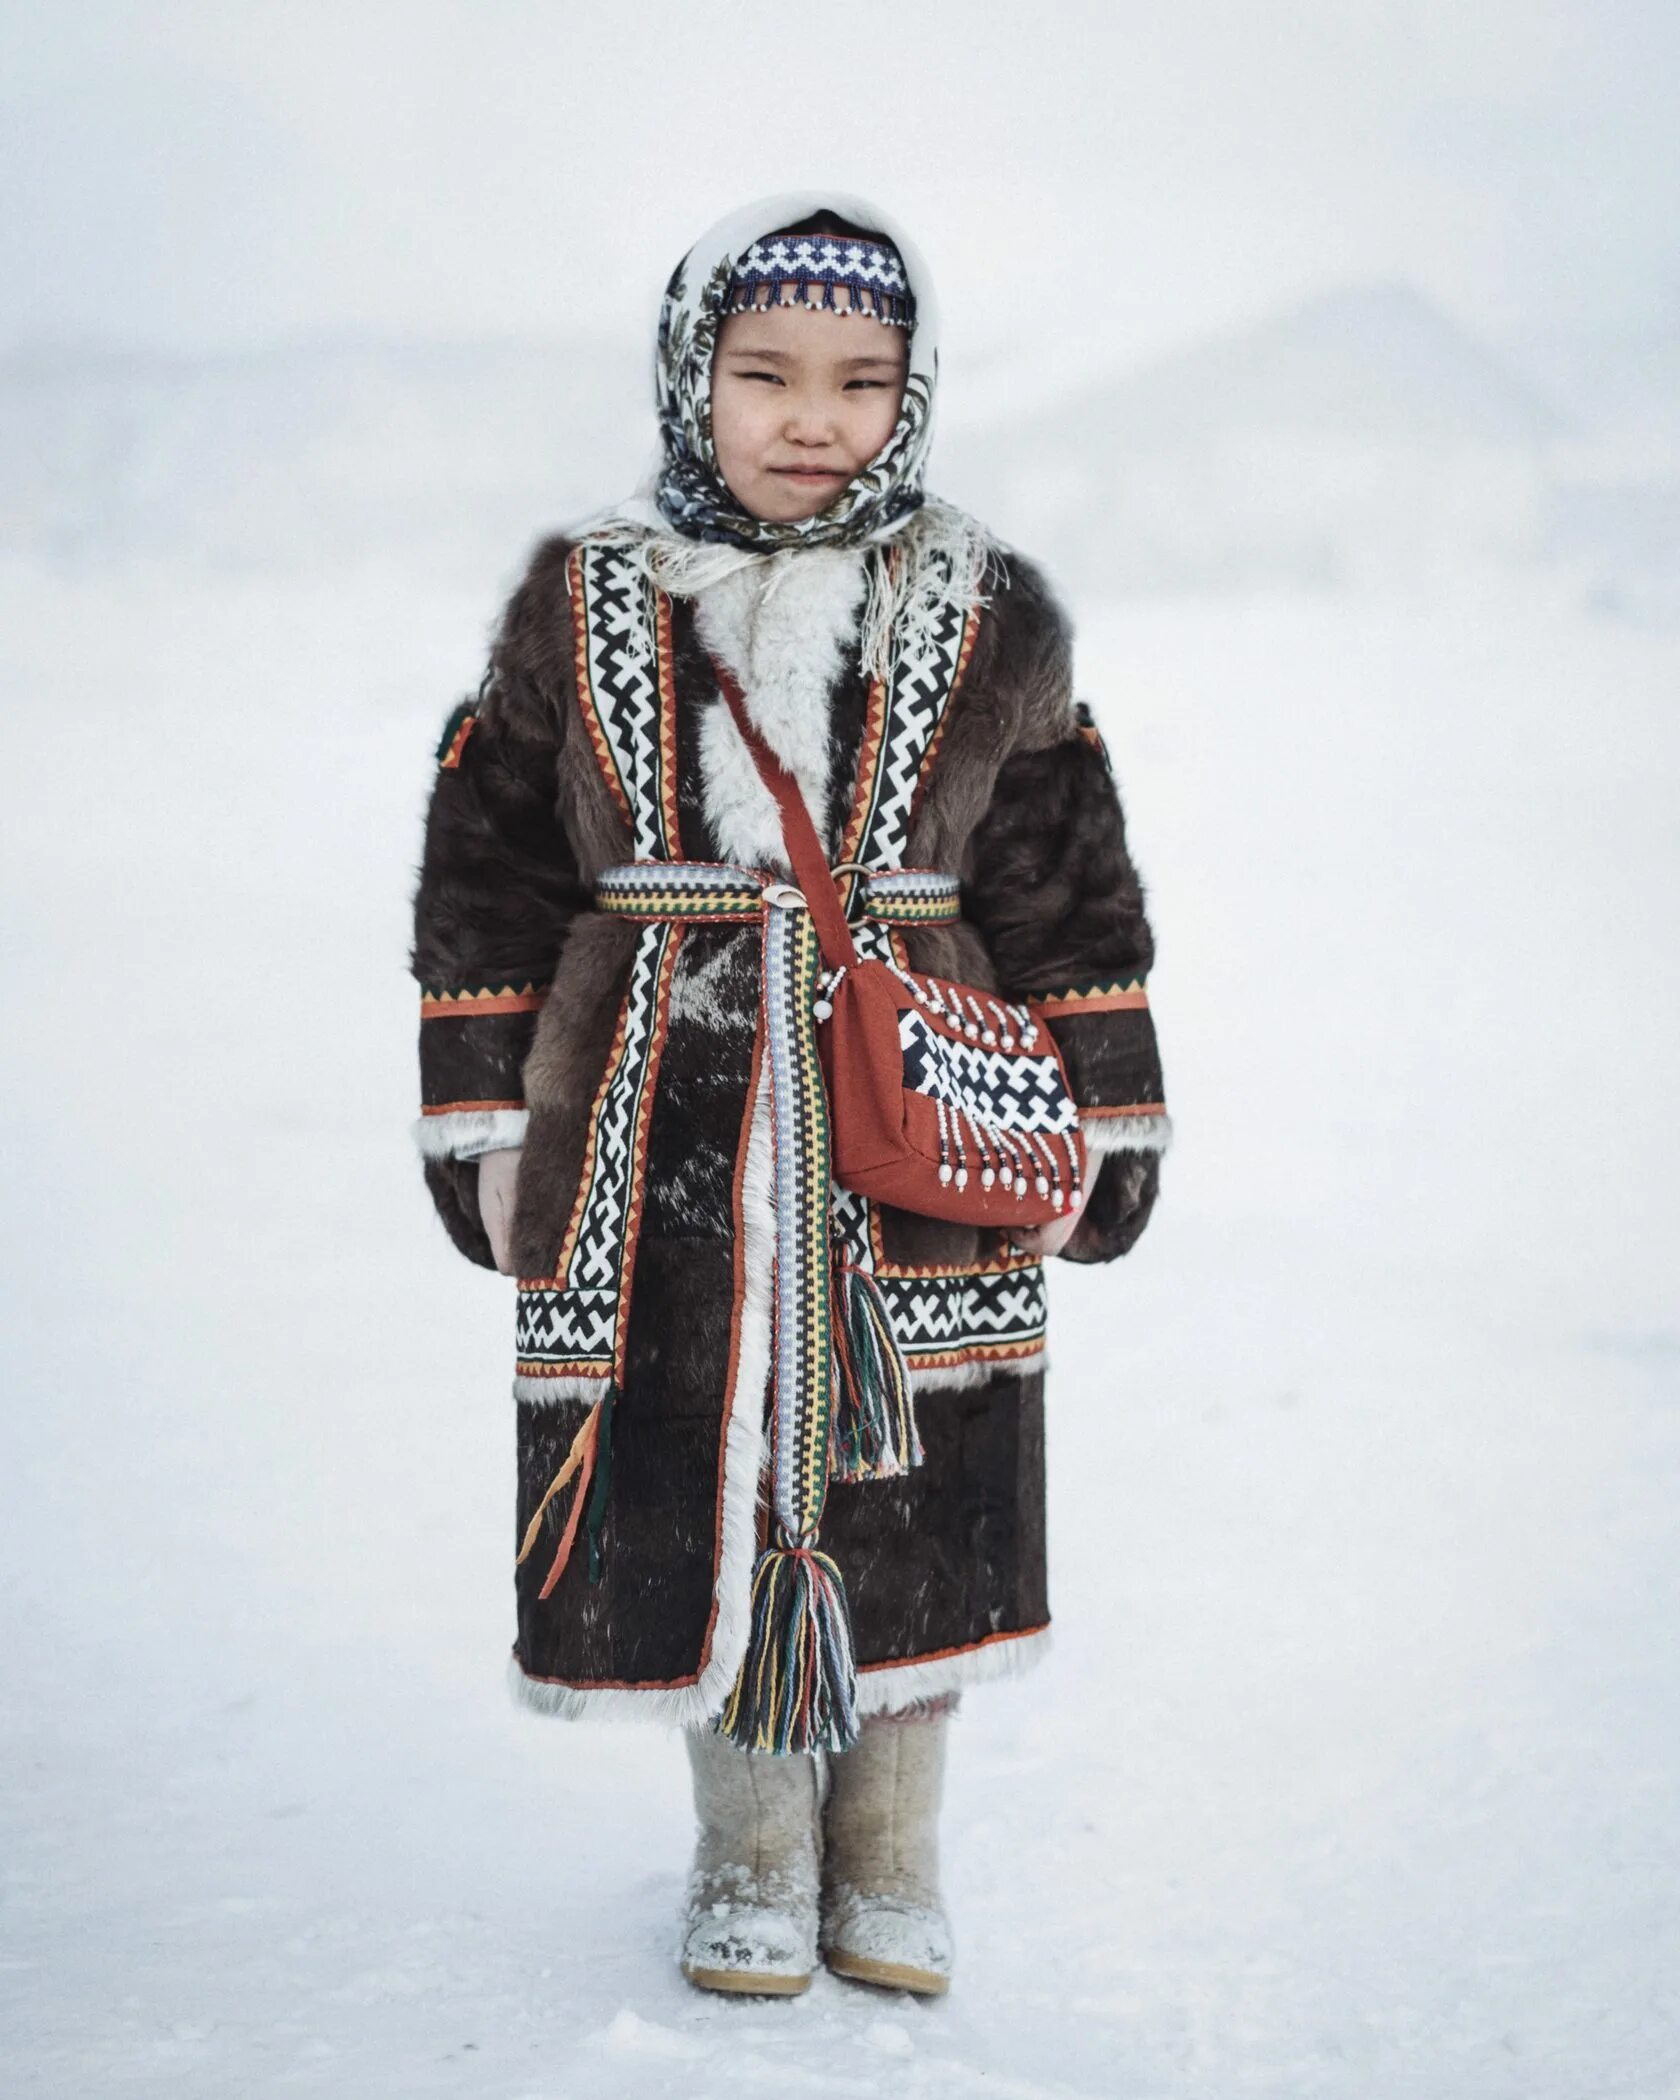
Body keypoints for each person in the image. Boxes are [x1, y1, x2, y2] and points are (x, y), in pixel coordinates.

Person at [409, 191, 1168, 1998]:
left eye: (858, 378)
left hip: (923, 1110)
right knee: (699, 1466)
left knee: (921, 1475)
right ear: (693, 376)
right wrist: (482, 1117)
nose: (812, 416)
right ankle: (747, 1848)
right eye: (765, 374)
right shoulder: (580, 595)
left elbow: (1068, 873)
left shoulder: (989, 606)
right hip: (657, 1106)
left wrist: (1110, 1104)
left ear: (913, 393)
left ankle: (890, 1853)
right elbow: (487, 869)